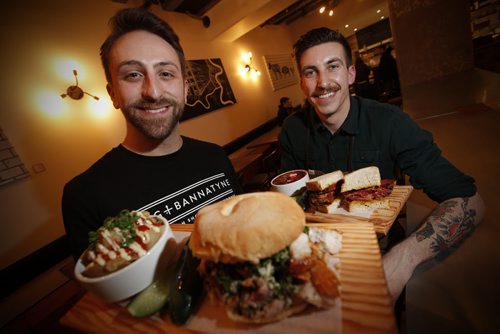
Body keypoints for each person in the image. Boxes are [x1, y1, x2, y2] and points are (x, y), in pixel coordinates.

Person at [278, 27, 485, 305]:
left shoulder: (390, 122)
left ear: (351, 74)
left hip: (381, 251)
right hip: (315, 257)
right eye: (310, 72)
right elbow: (287, 208)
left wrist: (402, 260)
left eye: (333, 66)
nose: (323, 82)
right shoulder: (292, 130)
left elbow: (471, 201)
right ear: (302, 83)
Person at [62, 8, 242, 262]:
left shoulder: (214, 155)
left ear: (185, 89)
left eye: (166, 73)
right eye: (133, 75)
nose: (153, 92)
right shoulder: (84, 196)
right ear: (113, 93)